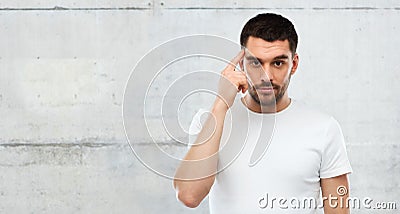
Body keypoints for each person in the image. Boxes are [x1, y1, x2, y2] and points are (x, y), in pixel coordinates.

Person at [173, 13, 352, 213]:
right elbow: (189, 196)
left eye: (278, 63)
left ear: (293, 64)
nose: (266, 76)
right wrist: (221, 103)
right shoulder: (211, 120)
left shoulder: (324, 128)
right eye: (256, 63)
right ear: (242, 65)